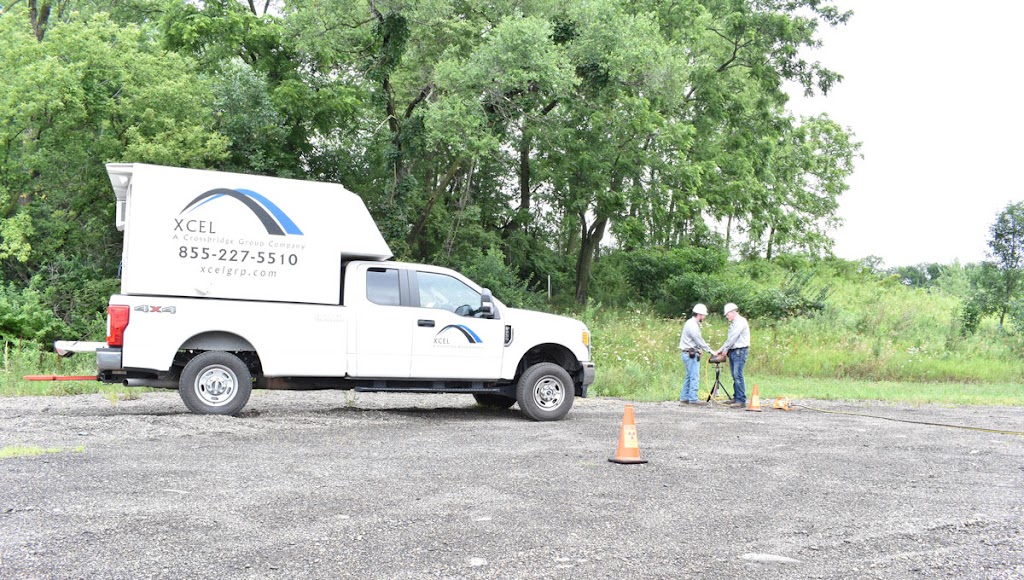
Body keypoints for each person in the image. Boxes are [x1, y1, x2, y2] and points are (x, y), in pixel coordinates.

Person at [716, 302, 750, 408]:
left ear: (733, 313)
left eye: (727, 314)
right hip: (734, 351)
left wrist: (725, 350)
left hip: (740, 351)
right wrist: (720, 350)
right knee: (734, 375)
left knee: (737, 375)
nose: (726, 317)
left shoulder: (740, 322)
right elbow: (729, 340)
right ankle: (736, 397)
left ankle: (741, 400)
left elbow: (733, 338)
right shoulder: (734, 323)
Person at [678, 303, 714, 405]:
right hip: (690, 355)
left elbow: (693, 341)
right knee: (694, 376)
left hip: (689, 353)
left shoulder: (691, 323)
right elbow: (698, 339)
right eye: (704, 315)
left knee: (689, 376)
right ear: (699, 314)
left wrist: (699, 350)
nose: (704, 317)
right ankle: (693, 399)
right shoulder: (692, 325)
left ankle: (684, 398)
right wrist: (710, 351)